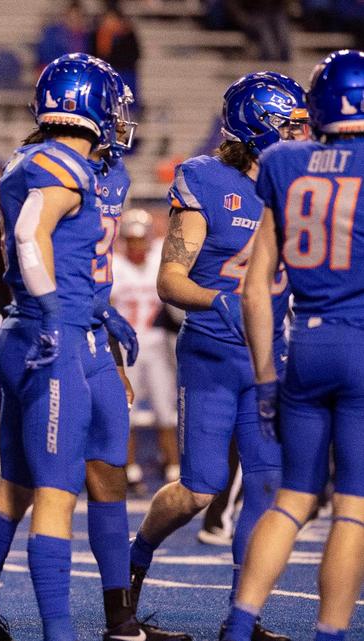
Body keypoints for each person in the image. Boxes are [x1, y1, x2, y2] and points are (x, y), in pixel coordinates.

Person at [0, 53, 122, 641]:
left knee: (15, 483)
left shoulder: (33, 157)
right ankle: (59, 633)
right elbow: (28, 235)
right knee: (57, 493)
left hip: (23, 330)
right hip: (49, 334)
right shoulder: (62, 167)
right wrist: (53, 313)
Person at [128, 72, 308, 641]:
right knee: (198, 492)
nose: (303, 133)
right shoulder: (206, 180)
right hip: (212, 351)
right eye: (291, 123)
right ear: (258, 125)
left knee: (265, 484)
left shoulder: (299, 182)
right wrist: (225, 303)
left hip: (270, 357)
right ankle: (134, 565)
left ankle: (243, 617)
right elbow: (170, 280)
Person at [221, 49, 364, 641]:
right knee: (353, 509)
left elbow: (256, 290)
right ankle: (330, 634)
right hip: (361, 346)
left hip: (304, 345)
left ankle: (238, 624)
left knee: (292, 499)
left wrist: (265, 376)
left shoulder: (281, 161)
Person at [111, 209, 181, 489]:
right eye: (132, 239)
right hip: (126, 346)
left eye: (141, 239)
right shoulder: (115, 266)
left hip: (156, 344)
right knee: (123, 409)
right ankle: (128, 468)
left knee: (165, 408)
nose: (137, 245)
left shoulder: (158, 263)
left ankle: (173, 466)